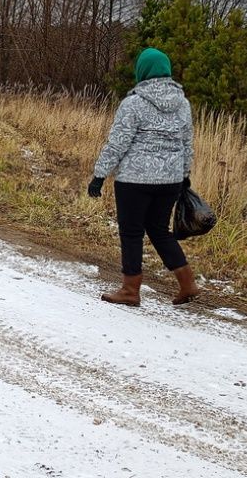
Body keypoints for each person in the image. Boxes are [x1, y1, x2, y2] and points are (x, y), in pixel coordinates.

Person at [87, 47, 201, 307]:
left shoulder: (134, 103)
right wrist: (184, 176)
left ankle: (130, 290)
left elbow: (117, 143)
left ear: (143, 71)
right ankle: (187, 283)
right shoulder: (183, 104)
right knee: (160, 231)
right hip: (170, 181)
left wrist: (99, 175)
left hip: (135, 180)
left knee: (131, 232)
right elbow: (187, 144)